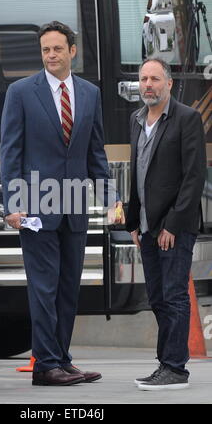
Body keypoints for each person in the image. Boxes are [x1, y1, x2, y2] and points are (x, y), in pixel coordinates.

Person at [0, 21, 123, 386]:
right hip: (35, 207)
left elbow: (94, 153)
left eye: (57, 49)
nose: (50, 56)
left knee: (69, 287)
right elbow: (11, 153)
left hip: (74, 206)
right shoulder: (21, 92)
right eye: (44, 50)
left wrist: (111, 199)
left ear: (72, 51)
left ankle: (62, 359)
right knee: (44, 287)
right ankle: (45, 365)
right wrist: (12, 205)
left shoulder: (89, 93)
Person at [126, 58, 206, 391]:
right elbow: (137, 175)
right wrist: (133, 221)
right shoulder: (136, 119)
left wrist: (173, 224)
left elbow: (193, 177)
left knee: (174, 296)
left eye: (155, 79)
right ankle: (166, 364)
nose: (148, 85)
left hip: (174, 226)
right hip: (146, 226)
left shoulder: (187, 119)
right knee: (157, 297)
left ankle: (175, 368)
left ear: (169, 84)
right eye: (143, 79)